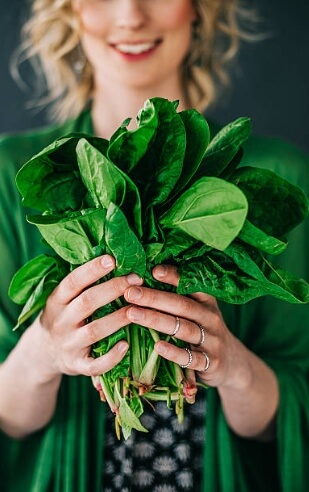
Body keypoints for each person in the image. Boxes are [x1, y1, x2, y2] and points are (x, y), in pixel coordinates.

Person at [0, 1, 308, 491]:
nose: (130, 15)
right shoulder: (11, 178)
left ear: (201, 9)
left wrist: (234, 367)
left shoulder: (279, 178)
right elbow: (9, 422)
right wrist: (44, 351)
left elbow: (293, 416)